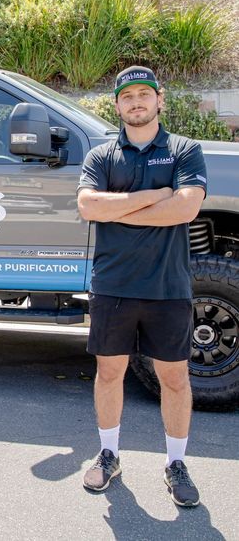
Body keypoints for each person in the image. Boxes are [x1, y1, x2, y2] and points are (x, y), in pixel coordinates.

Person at [77, 66, 206, 507]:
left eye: (144, 94)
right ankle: (109, 454)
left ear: (159, 100)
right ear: (116, 105)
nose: (136, 102)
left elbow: (184, 210)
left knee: (173, 377)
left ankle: (176, 462)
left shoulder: (185, 150)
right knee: (109, 372)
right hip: (112, 285)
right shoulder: (100, 156)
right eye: (127, 95)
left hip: (168, 286)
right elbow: (87, 204)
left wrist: (117, 210)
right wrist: (154, 196)